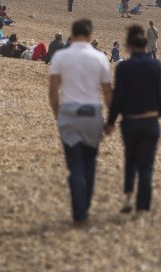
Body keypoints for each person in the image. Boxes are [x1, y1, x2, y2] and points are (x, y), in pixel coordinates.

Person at [48, 19, 113, 224]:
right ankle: (84, 205)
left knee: (75, 164)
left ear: (72, 35)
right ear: (90, 36)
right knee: (89, 162)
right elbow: (108, 93)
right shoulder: (100, 58)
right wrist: (111, 120)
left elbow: (52, 91)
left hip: (69, 111)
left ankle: (80, 212)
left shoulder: (61, 56)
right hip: (91, 112)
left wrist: (58, 112)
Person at [106, 25, 161, 215]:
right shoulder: (157, 66)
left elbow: (118, 98)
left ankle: (128, 196)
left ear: (130, 47)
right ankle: (142, 207)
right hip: (150, 121)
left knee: (130, 159)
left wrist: (110, 122)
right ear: (146, 47)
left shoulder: (124, 67)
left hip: (130, 121)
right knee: (147, 164)